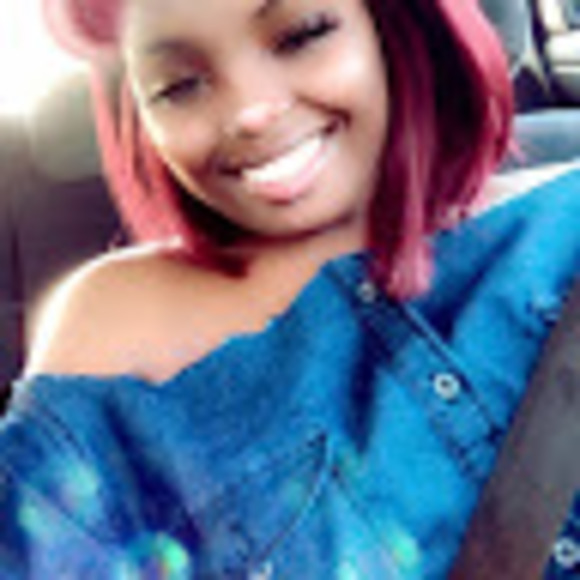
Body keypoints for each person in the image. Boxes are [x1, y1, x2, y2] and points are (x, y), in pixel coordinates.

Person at [0, 0, 579, 577]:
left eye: (302, 35)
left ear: (394, 22)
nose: (250, 112)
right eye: (178, 87)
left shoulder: (564, 219)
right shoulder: (116, 325)